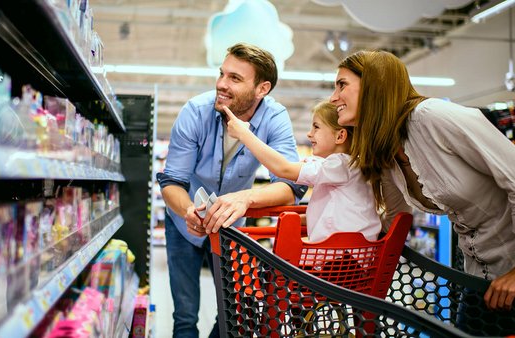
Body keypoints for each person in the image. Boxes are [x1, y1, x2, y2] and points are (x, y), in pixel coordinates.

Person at [329, 50, 515, 315]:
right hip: (479, 278)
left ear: (374, 85)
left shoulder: (432, 117)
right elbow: (395, 217)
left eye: (342, 85)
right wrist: (338, 246)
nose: (333, 97)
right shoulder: (389, 149)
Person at [156, 42, 307, 338]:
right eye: (222, 74)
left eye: (235, 78)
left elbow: (290, 187)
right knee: (184, 315)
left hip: (232, 228)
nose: (221, 84)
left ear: (262, 89)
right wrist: (188, 210)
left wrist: (245, 197)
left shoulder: (275, 119)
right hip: (183, 223)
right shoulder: (196, 112)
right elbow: (172, 180)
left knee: (234, 310)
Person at [222, 100, 380, 243]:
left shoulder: (340, 164)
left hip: (341, 258)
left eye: (316, 127)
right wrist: (298, 219)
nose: (309, 133)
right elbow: (334, 214)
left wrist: (244, 135)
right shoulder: (351, 166)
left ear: (340, 136)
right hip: (351, 255)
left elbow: (284, 169)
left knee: (276, 268)